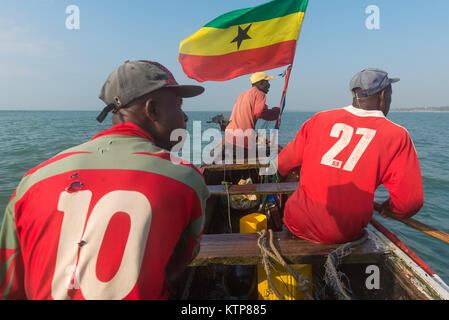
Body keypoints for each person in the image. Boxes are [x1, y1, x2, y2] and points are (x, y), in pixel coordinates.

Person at [0, 60, 210, 300]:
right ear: (152, 110)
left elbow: (9, 285)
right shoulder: (185, 178)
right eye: (179, 105)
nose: (184, 116)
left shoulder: (32, 181)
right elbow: (177, 264)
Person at [277, 68, 424, 244]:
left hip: (297, 222)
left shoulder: (319, 119)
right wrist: (390, 208)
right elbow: (409, 203)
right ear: (384, 95)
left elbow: (282, 164)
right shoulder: (397, 135)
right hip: (343, 233)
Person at [224, 72, 281, 161]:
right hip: (242, 138)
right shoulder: (259, 94)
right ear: (261, 83)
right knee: (276, 151)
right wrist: (278, 111)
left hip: (230, 135)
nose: (269, 85)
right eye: (267, 82)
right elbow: (262, 112)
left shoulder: (243, 94)